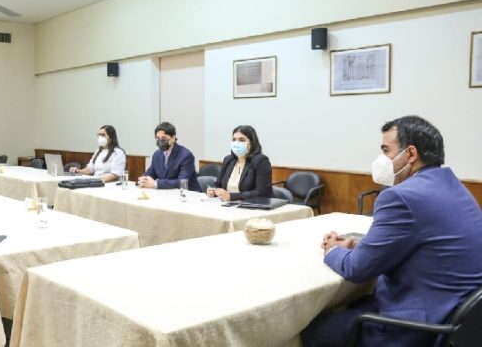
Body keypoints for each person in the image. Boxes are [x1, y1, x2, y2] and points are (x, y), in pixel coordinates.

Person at [301, 116, 482, 347]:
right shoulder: (455, 187)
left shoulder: (400, 196)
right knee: (353, 304)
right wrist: (358, 244)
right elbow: (418, 240)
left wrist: (331, 251)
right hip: (459, 318)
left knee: (310, 328)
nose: (381, 160)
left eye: (386, 151)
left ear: (411, 154)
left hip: (418, 327)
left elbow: (357, 269)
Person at [206, 125, 272, 201]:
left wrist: (232, 196)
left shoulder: (261, 161)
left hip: (251, 207)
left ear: (252, 143)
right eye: (234, 139)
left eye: (241, 140)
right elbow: (218, 184)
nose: (236, 143)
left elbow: (262, 193)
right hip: (227, 205)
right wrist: (213, 191)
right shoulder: (228, 160)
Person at [138, 121, 201, 191]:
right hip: (167, 194)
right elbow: (150, 173)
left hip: (188, 195)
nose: (160, 141)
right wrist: (144, 179)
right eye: (158, 138)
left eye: (163, 138)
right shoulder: (157, 154)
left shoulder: (186, 155)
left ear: (173, 138)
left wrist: (155, 184)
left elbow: (182, 182)